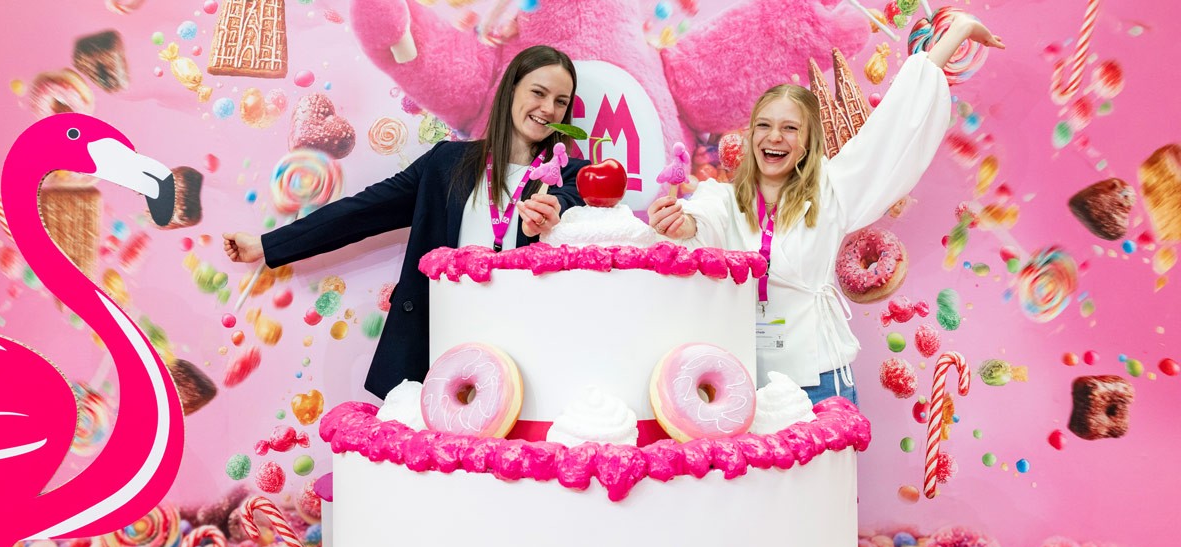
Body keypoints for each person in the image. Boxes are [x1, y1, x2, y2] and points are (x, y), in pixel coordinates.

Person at [647, 17, 1004, 404]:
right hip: (744, 384)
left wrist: (958, 32)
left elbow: (893, 126)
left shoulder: (831, 190)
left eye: (790, 128)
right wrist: (679, 224)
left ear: (807, 142)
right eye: (764, 125)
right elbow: (700, 220)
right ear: (751, 137)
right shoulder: (726, 200)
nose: (774, 137)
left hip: (820, 382)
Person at [224, 45, 588, 400]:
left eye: (560, 101)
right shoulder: (447, 163)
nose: (548, 109)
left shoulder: (571, 178)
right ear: (511, 90)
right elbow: (361, 212)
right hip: (439, 341)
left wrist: (556, 217)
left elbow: (574, 212)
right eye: (538, 93)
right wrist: (266, 245)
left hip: (523, 351)